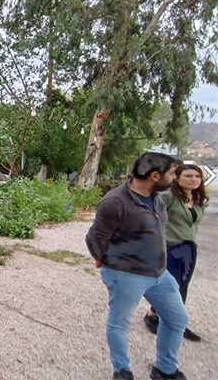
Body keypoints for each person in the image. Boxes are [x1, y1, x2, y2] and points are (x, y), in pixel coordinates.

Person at [86, 152, 188, 380]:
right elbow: (94, 237)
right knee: (119, 323)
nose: (174, 177)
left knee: (177, 318)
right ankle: (122, 370)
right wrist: (104, 260)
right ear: (155, 175)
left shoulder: (157, 198)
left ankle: (164, 369)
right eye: (172, 173)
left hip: (159, 274)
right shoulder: (115, 202)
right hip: (126, 274)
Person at [143, 163, 209, 341]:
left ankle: (176, 321)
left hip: (189, 247)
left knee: (183, 285)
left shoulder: (198, 199)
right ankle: (154, 315)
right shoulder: (167, 197)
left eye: (197, 176)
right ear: (177, 178)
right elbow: (150, 214)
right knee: (169, 285)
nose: (193, 179)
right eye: (188, 176)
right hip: (170, 247)